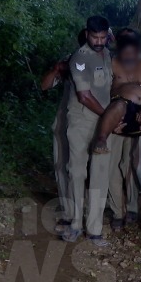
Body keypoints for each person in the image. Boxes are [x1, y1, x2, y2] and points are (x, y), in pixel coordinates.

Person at [62, 15, 114, 245]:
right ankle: (74, 223)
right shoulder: (79, 59)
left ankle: (94, 229)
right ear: (87, 34)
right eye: (95, 37)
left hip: (103, 124)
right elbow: (84, 96)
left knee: (100, 174)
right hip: (82, 122)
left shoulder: (107, 54)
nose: (99, 41)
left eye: (103, 37)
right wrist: (108, 115)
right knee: (77, 172)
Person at [40, 29, 87, 232]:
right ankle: (69, 214)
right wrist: (56, 69)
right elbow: (45, 86)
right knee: (62, 166)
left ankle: (85, 215)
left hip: (90, 124)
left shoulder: (106, 62)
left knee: (83, 170)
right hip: (64, 122)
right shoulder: (69, 62)